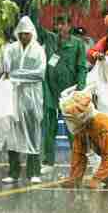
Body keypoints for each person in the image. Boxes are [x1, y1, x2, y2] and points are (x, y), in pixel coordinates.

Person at [35, 13, 88, 173]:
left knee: (73, 127)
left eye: (63, 24)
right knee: (49, 126)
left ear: (69, 25)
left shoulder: (78, 44)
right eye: (57, 24)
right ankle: (48, 162)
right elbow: (34, 25)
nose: (60, 27)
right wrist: (33, 2)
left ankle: (78, 160)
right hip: (50, 89)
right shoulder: (49, 39)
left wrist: (80, 88)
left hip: (69, 91)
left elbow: (81, 68)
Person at [0, 17, 46, 184]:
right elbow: (4, 71)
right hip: (13, 97)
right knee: (12, 135)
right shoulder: (10, 49)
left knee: (33, 134)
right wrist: (1, 54)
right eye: (22, 34)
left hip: (32, 99)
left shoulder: (39, 50)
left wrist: (16, 75)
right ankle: (13, 172)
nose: (24, 37)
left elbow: (39, 74)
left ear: (32, 34)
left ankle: (34, 172)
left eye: (27, 34)